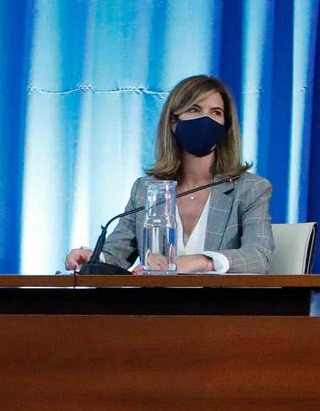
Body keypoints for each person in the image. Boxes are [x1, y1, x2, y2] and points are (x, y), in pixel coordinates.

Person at [64, 74, 273, 274]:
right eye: (195, 109)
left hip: (219, 307)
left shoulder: (250, 188)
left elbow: (258, 257)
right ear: (174, 122)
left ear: (225, 126)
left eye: (216, 112)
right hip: (156, 306)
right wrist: (92, 258)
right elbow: (116, 254)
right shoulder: (145, 189)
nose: (206, 119)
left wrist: (202, 261)